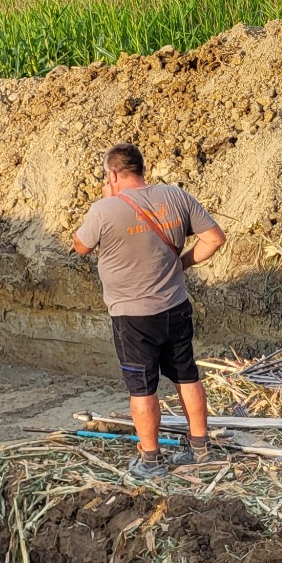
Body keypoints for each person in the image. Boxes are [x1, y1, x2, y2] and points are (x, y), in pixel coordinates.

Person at [72, 143, 226, 477]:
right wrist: (179, 266)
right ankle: (200, 448)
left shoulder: (104, 210)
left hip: (132, 317)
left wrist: (104, 200)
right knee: (187, 375)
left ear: (113, 174)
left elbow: (80, 246)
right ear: (141, 169)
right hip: (175, 306)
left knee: (142, 388)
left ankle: (152, 459)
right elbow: (214, 238)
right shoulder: (176, 196)